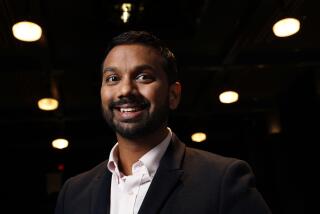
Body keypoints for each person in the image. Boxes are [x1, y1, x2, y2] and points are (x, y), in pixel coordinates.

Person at [55, 30, 272, 214]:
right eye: (113, 78)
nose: (125, 90)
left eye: (143, 77)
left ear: (173, 95)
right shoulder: (73, 193)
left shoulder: (223, 180)